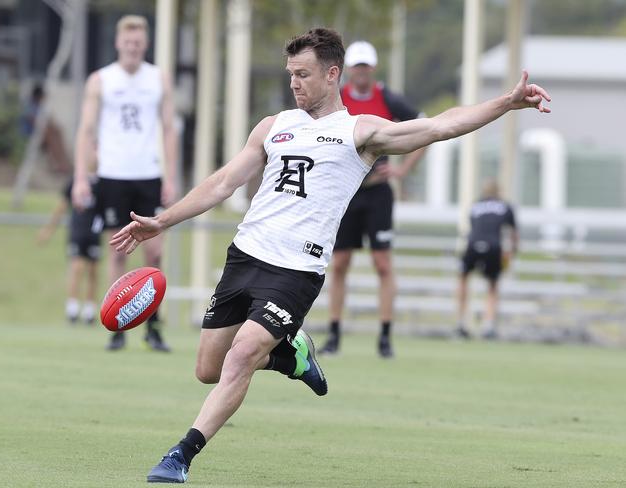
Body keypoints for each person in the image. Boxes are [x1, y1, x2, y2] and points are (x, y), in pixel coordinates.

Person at [109, 28, 550, 483]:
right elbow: (223, 183)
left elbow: (440, 125)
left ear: (332, 74)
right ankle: (290, 357)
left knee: (240, 359)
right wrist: (163, 221)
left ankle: (179, 456)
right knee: (208, 369)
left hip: (296, 271)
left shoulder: (359, 133)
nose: (294, 83)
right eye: (291, 75)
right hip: (245, 257)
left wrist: (505, 103)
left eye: (303, 74)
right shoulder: (273, 126)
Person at [71, 15, 178, 352]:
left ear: (144, 45)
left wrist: (171, 176)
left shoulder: (157, 78)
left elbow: (169, 129)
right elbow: (86, 130)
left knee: (155, 252)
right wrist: (80, 178)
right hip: (113, 174)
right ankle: (117, 326)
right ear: (118, 43)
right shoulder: (101, 80)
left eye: (138, 42)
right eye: (127, 42)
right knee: (117, 251)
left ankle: (155, 326)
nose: (132, 47)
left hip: (148, 173)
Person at [319, 40, 427, 358]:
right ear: (347, 70)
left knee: (382, 263)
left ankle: (384, 335)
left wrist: (403, 169)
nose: (361, 72)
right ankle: (334, 333)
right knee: (339, 262)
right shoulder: (338, 98)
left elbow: (422, 125)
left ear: (372, 69)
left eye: (366, 66)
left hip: (378, 192)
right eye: (357, 66)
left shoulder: (386, 97)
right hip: (346, 191)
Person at [455, 179, 519, 339]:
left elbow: (473, 227)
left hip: (472, 245)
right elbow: (513, 234)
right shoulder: (505, 206)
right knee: (492, 285)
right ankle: (488, 325)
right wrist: (512, 253)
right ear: (499, 191)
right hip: (494, 246)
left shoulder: (475, 205)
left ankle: (461, 323)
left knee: (463, 280)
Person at [37, 176, 103, 324]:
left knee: (93, 271)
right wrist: (48, 230)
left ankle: (89, 310)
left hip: (94, 233)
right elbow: (62, 206)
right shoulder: (76, 180)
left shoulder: (102, 182)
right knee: (77, 267)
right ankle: (72, 308)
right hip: (77, 231)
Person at [20, 83, 71, 173]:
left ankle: (63, 162)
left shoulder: (41, 107)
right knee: (49, 133)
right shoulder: (29, 106)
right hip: (30, 134)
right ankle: (59, 163)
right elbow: (34, 121)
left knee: (57, 131)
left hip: (43, 133)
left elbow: (49, 120)